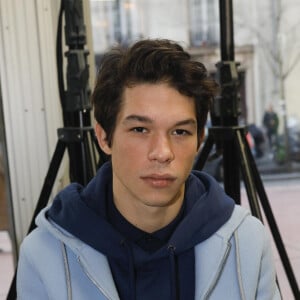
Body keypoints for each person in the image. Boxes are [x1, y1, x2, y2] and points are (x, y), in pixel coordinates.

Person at [17, 39, 280, 299]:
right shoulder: (45, 252)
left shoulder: (247, 242)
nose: (162, 153)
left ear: (200, 140)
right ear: (104, 138)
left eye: (180, 131)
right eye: (140, 130)